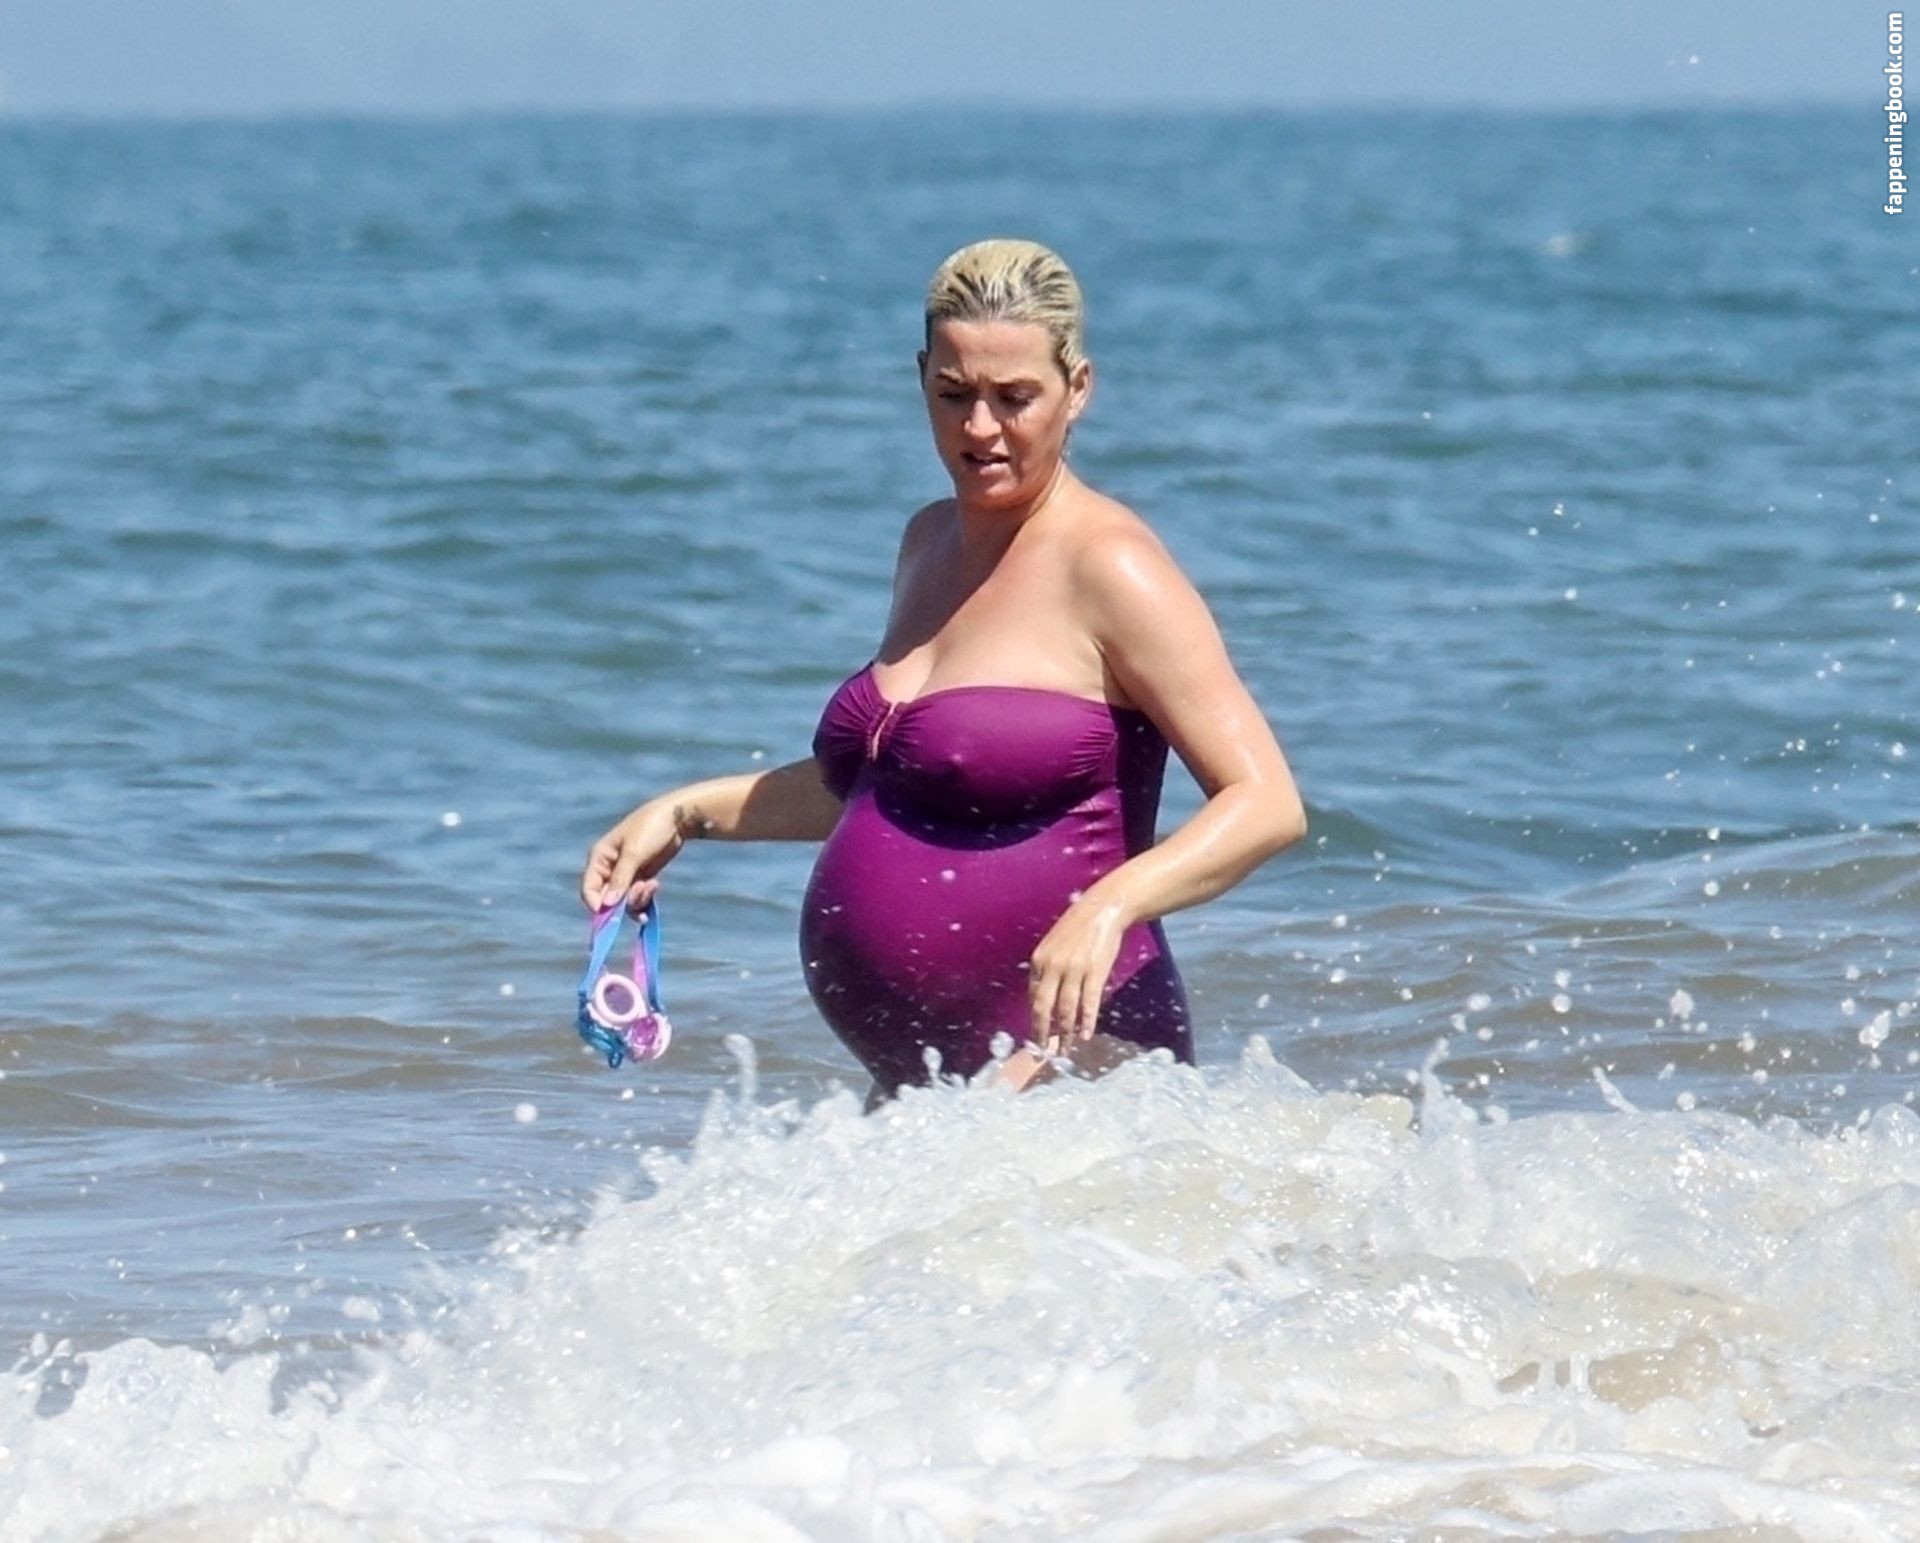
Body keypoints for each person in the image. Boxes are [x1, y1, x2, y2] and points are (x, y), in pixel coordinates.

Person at [580, 238, 1306, 1099]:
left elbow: (1266, 803)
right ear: (920, 377)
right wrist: (686, 813)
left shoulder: (1111, 565)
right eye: (955, 394)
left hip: (1080, 1060)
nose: (981, 428)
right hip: (926, 1093)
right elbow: (897, 788)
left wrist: (1110, 905)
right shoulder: (928, 542)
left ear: (1078, 389)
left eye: (1016, 397)